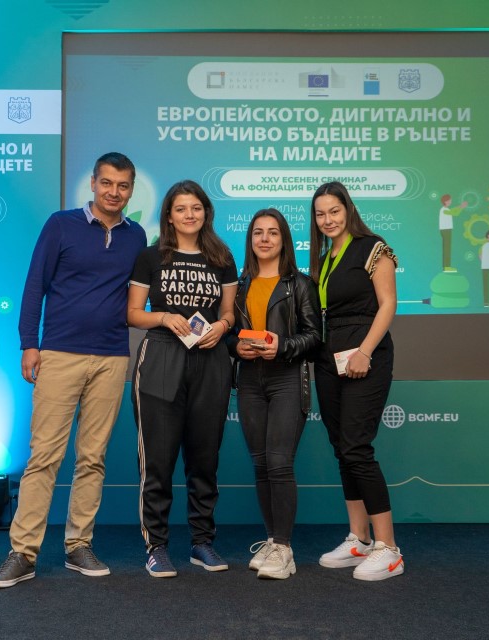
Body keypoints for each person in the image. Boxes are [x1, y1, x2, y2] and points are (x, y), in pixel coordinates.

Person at [0, 152, 147, 589]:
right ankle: (23, 553)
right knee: (44, 456)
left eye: (123, 185)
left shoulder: (136, 236)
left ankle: (79, 545)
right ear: (92, 183)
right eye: (107, 183)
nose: (114, 192)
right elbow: (34, 285)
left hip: (112, 357)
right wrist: (29, 343)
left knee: (92, 458)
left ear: (131, 190)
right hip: (58, 353)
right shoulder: (61, 224)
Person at [127, 179, 237, 578]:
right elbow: (132, 313)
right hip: (161, 355)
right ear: (169, 216)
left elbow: (230, 313)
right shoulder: (150, 257)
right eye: (181, 208)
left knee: (204, 460)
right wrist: (163, 317)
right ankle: (156, 547)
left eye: (196, 208)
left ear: (206, 212)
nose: (190, 215)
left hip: (210, 359)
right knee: (157, 461)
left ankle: (202, 542)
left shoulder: (222, 257)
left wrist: (222, 327)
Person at [309, 181, 403, 581]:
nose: (328, 219)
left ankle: (389, 549)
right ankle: (359, 539)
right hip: (329, 358)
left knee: (356, 447)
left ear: (348, 209)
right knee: (341, 448)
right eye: (320, 214)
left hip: (366, 353)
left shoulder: (373, 247)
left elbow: (388, 304)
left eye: (334, 211)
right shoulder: (324, 258)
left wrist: (365, 351)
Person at [230, 208, 320, 580]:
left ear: (284, 240)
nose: (264, 239)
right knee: (261, 464)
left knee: (280, 463)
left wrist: (281, 346)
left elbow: (314, 338)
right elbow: (229, 334)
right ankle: (271, 540)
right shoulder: (240, 285)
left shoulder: (300, 284)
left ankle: (284, 549)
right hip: (250, 381)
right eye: (258, 233)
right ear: (250, 240)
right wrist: (237, 348)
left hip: (287, 379)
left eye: (272, 232)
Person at [437, 193, 467, 272]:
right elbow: (455, 213)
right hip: (446, 230)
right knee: (447, 248)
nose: (450, 201)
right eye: (449, 200)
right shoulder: (444, 210)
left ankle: (446, 266)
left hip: (446, 230)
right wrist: (461, 207)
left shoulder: (446, 209)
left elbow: (454, 211)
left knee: (447, 248)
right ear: (445, 201)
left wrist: (460, 207)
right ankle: (446, 267)